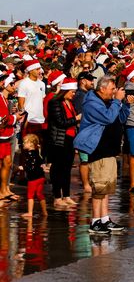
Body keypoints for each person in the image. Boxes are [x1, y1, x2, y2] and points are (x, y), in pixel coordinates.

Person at [74, 75, 131, 234]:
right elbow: (108, 117)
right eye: (112, 89)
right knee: (99, 187)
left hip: (110, 150)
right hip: (99, 149)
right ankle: (95, 221)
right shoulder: (91, 103)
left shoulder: (109, 101)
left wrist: (125, 104)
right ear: (102, 88)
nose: (114, 92)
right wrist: (118, 101)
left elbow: (120, 118)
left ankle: (105, 218)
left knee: (107, 186)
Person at [46, 77, 80, 207]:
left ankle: (66, 195)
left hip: (70, 139)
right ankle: (56, 197)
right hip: (59, 140)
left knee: (66, 168)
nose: (74, 94)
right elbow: (60, 122)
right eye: (72, 91)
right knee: (57, 168)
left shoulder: (70, 103)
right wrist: (76, 119)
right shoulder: (55, 103)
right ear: (66, 90)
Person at [0, 73, 22, 204]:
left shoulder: (5, 99)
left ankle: (4, 190)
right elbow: (2, 119)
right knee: (3, 163)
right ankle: (1, 191)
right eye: (11, 84)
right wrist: (15, 118)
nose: (14, 86)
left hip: (6, 134)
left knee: (7, 163)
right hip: (2, 135)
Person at [20, 134, 47, 219]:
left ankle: (30, 212)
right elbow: (41, 162)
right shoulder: (38, 152)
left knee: (30, 195)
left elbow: (31, 166)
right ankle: (44, 212)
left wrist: (23, 167)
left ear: (31, 144)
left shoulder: (30, 154)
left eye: (25, 142)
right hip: (41, 177)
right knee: (39, 194)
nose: (23, 144)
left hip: (33, 178)